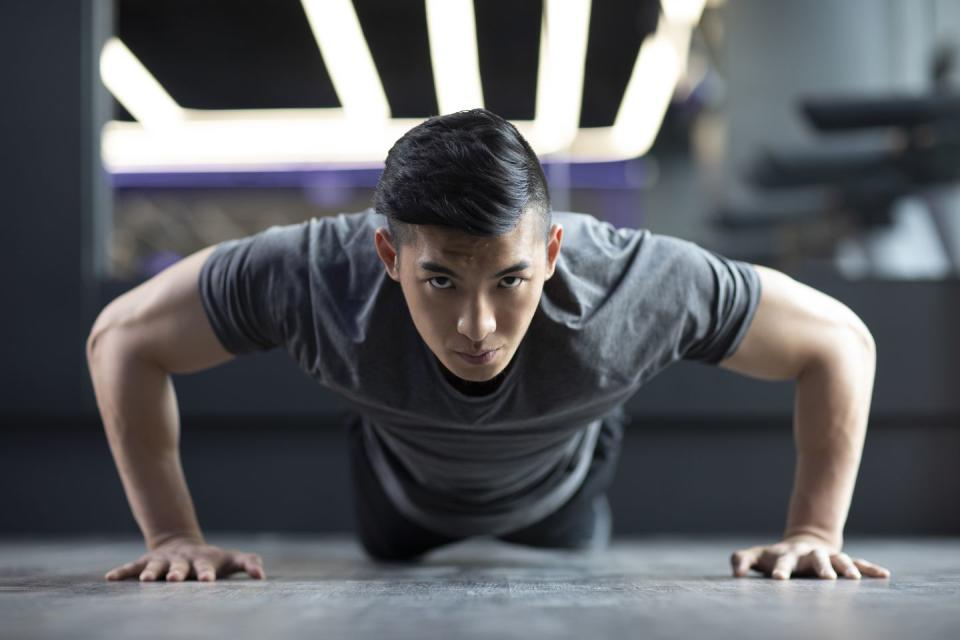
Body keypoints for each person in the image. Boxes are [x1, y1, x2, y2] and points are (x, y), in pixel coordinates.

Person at [86, 108, 891, 583]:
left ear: (549, 255)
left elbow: (839, 342)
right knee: (392, 502)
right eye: (441, 282)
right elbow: (121, 337)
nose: (478, 326)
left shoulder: (631, 284)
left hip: (564, 505)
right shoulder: (311, 274)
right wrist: (172, 539)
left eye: (509, 280)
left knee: (578, 503)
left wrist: (816, 533)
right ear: (389, 256)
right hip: (398, 506)